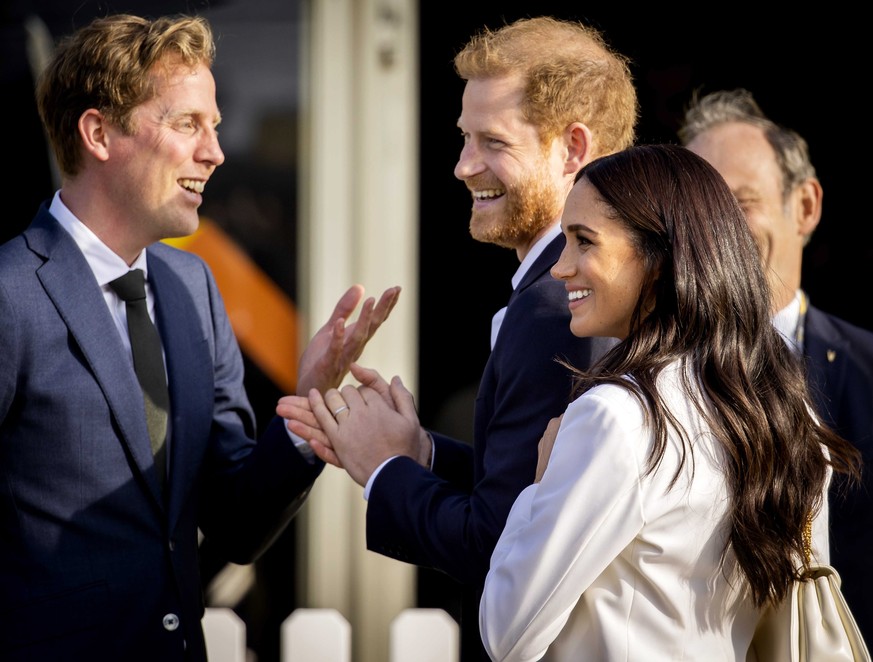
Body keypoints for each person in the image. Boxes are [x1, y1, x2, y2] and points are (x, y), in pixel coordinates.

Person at [0, 13, 399, 661]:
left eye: (213, 126)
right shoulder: (11, 293)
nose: (214, 151)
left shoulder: (192, 288)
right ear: (99, 133)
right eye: (187, 123)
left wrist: (305, 412)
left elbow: (236, 522)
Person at [278, 15, 637, 661]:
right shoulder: (583, 295)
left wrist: (380, 467)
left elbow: (498, 547)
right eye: (463, 138)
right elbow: (542, 495)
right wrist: (420, 451)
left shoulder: (556, 309)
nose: (462, 165)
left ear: (572, 149)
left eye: (491, 141)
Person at [471, 144, 860, 659]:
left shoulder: (616, 418)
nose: (561, 268)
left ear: (659, 260)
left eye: (583, 241)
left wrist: (538, 488)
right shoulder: (788, 414)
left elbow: (508, 631)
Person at [677, 87, 873, 642]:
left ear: (805, 206)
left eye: (739, 203)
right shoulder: (644, 375)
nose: (716, 231)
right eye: (699, 210)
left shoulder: (866, 372)